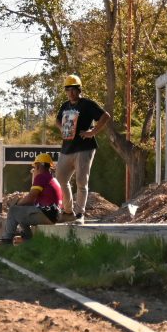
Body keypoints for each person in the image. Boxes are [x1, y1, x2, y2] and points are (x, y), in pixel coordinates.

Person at [54, 74, 110, 225]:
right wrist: (61, 128)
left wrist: (92, 132)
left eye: (74, 89)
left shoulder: (87, 104)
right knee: (60, 178)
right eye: (68, 89)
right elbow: (57, 120)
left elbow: (105, 116)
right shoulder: (65, 106)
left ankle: (80, 214)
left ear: (79, 90)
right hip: (67, 148)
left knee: (81, 181)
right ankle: (68, 212)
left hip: (84, 148)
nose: (71, 92)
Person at [0, 153, 62, 245]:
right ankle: (28, 239)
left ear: (38, 166)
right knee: (21, 211)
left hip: (46, 214)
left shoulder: (41, 177)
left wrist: (17, 203)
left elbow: (31, 198)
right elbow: (35, 200)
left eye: (35, 167)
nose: (34, 170)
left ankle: (6, 241)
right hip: (54, 214)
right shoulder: (53, 179)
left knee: (13, 210)